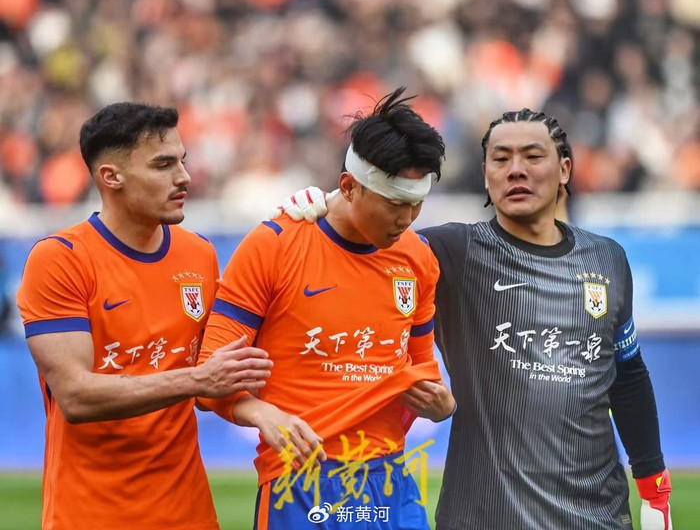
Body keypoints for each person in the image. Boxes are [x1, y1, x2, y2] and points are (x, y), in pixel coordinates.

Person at [278, 108, 672, 529]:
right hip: (484, 515)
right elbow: (364, 231)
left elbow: (628, 375)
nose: (515, 169)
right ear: (485, 175)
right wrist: (327, 204)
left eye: (532, 156)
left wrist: (654, 489)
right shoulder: (451, 252)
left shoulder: (607, 258)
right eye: (501, 159)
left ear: (564, 170)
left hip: (597, 516)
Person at [198, 88, 456, 530]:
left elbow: (421, 372)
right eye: (395, 204)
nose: (407, 219)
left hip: (390, 479)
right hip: (300, 479)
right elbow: (209, 377)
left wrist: (441, 404)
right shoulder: (273, 246)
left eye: (417, 205)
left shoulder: (417, 259)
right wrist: (261, 412)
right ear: (349, 187)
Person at [16, 103, 274, 530]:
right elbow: (76, 396)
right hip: (89, 516)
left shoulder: (198, 253)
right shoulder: (60, 260)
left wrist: (262, 412)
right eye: (163, 165)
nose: (184, 177)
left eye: (183, 161)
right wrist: (197, 379)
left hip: (189, 515)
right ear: (111, 177)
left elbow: (215, 385)